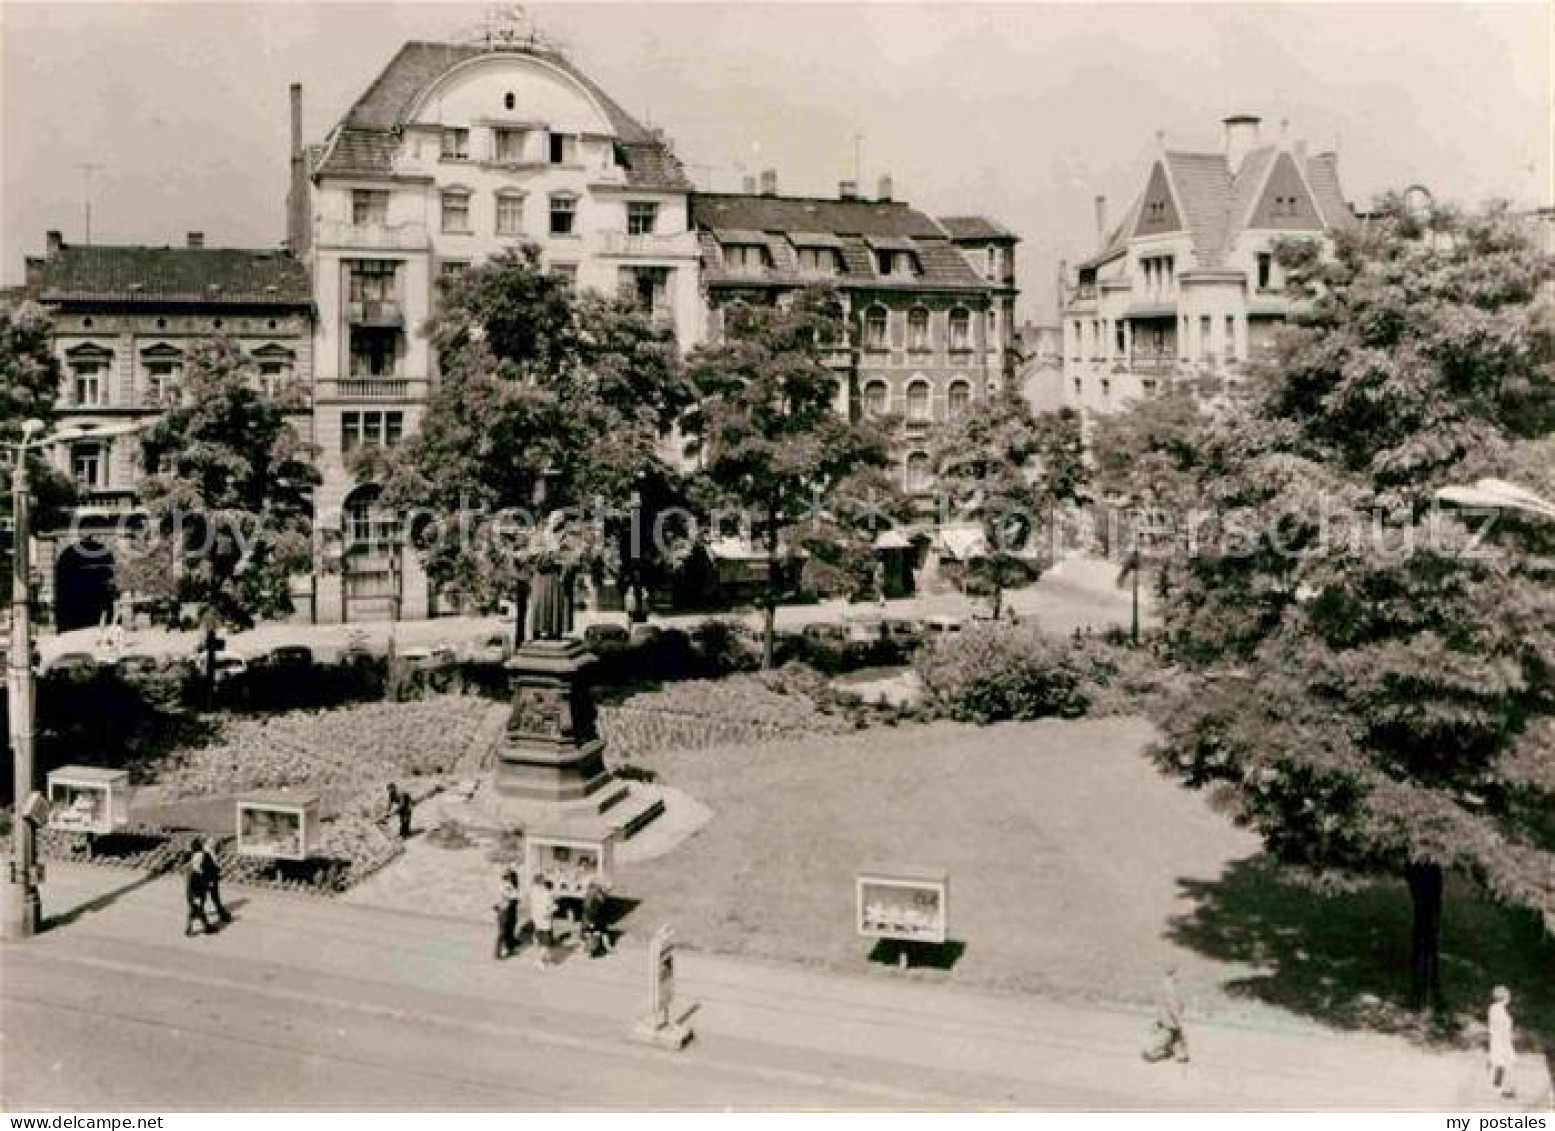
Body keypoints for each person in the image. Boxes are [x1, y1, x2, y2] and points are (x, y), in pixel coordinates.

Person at [1142, 966, 1190, 1063]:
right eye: (1178, 975)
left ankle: (1180, 1055)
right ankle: (1150, 1050)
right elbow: (1172, 1006)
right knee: (1168, 1035)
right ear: (1172, 975)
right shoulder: (1170, 988)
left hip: (1165, 1016)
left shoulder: (1167, 985)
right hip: (1169, 1017)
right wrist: (1178, 1017)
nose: (1179, 978)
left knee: (1176, 1035)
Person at [192, 837, 231, 925]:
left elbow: (214, 863)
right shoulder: (204, 852)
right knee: (212, 897)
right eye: (211, 842)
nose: (213, 844)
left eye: (213, 842)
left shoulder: (210, 851)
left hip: (211, 878)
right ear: (207, 843)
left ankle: (197, 912)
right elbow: (198, 867)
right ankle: (222, 915)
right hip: (208, 878)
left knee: (211, 897)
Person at [1488, 985, 1517, 1098]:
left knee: (1502, 1065)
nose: (1509, 997)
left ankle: (1502, 1089)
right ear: (1504, 997)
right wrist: (1506, 1044)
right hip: (1500, 1040)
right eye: (1508, 995)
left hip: (1500, 1040)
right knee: (1503, 1064)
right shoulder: (1497, 1009)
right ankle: (1503, 1089)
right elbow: (1499, 1028)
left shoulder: (1496, 1008)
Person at [529, 875, 557, 969]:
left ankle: (547, 958)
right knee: (545, 942)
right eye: (543, 881)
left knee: (541, 941)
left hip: (536, 920)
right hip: (545, 921)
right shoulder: (546, 894)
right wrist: (554, 908)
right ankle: (540, 961)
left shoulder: (533, 892)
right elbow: (546, 910)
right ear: (541, 882)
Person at [580, 879, 612, 958]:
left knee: (591, 933)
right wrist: (591, 921)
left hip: (592, 917)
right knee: (592, 934)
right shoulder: (595, 896)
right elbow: (590, 908)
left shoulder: (592, 894)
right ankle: (591, 951)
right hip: (592, 918)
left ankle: (590, 950)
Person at [493, 869, 521, 960]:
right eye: (512, 876)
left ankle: (510, 949)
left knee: (509, 931)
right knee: (503, 932)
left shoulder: (509, 885)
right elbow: (511, 897)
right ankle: (497, 953)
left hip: (508, 910)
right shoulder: (506, 886)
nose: (514, 878)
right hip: (505, 910)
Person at [184, 851, 213, 937]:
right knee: (196, 911)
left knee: (197, 911)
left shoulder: (195, 868)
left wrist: (207, 885)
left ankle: (205, 927)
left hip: (195, 895)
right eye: (202, 859)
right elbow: (194, 886)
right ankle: (204, 928)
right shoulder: (194, 872)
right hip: (195, 895)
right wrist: (197, 897)